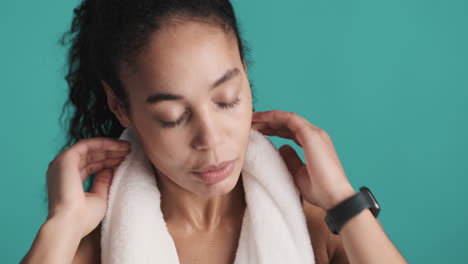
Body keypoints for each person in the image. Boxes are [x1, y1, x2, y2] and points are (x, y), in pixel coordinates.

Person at [21, 0, 407, 263]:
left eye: (226, 100)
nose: (211, 138)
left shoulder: (319, 226)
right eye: (173, 116)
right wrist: (61, 227)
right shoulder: (92, 248)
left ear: (245, 71)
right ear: (121, 106)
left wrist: (344, 201)